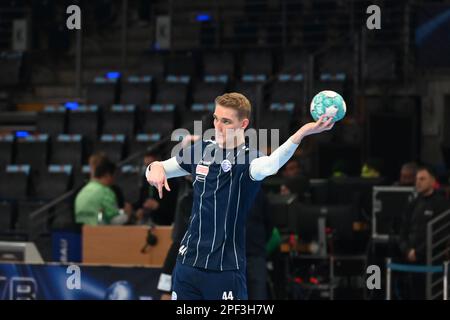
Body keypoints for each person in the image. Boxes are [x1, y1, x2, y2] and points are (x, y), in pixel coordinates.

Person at [146, 92, 334, 300]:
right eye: (216, 118)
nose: (217, 126)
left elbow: (271, 165)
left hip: (224, 270)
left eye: (226, 121)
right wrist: (154, 167)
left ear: (243, 124)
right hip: (187, 265)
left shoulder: (249, 158)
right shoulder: (200, 150)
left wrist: (301, 134)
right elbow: (161, 167)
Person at [397, 166, 449, 299]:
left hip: (433, 260)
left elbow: (440, 234)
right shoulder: (412, 203)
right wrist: (407, 250)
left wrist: (418, 252)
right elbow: (403, 230)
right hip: (411, 259)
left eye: (422, 179)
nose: (418, 182)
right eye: (417, 179)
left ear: (432, 181)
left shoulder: (442, 204)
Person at [75, 158, 128, 225]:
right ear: (107, 175)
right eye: (114, 176)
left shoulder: (83, 190)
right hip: (98, 231)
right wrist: (127, 215)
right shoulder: (106, 192)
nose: (114, 180)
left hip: (82, 230)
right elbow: (114, 219)